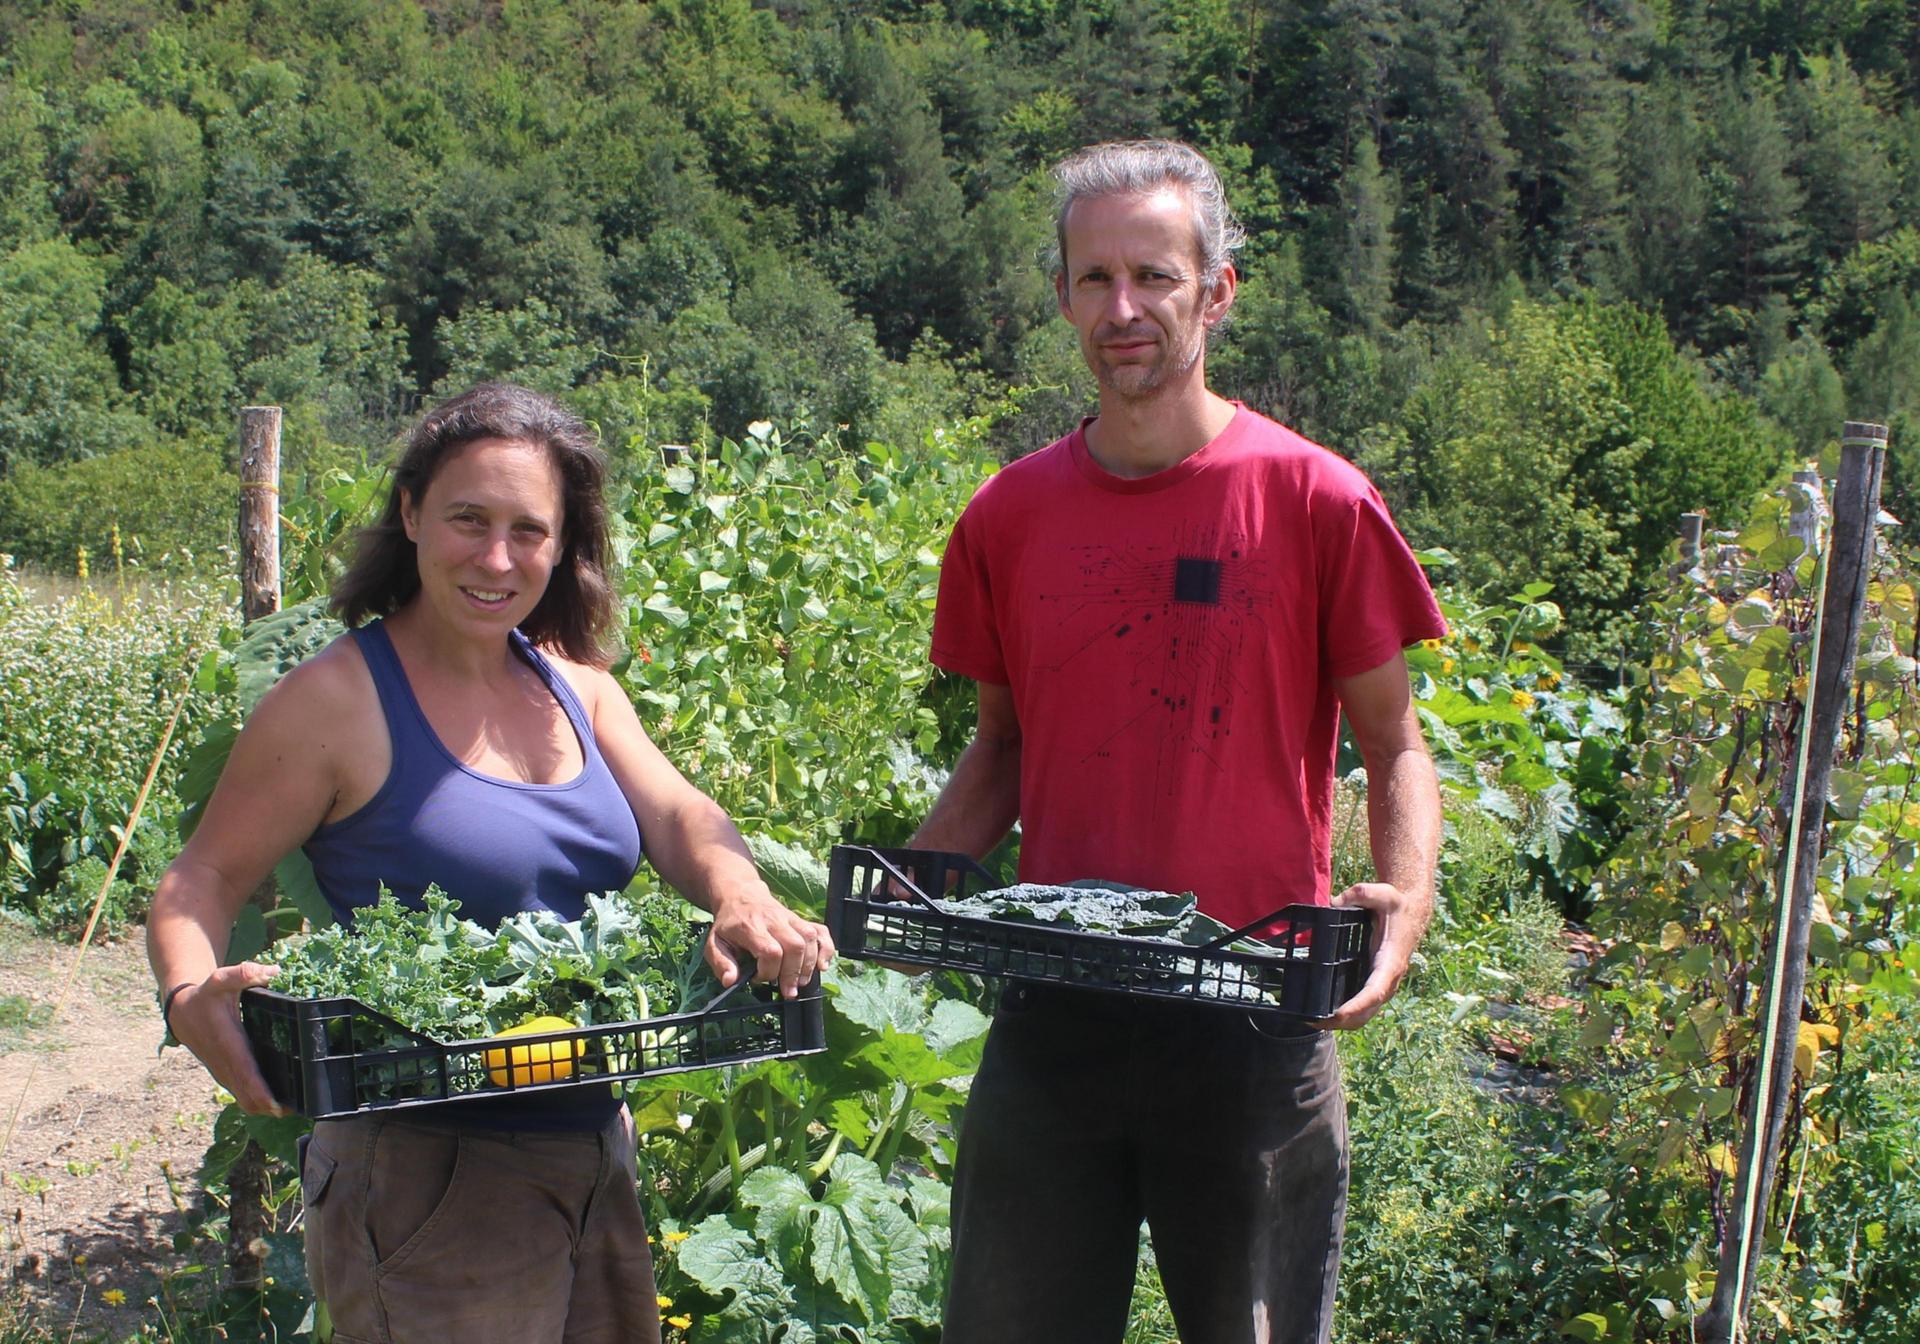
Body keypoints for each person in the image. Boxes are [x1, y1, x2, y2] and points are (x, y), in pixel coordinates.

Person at [147, 382, 833, 1344]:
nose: (498, 558)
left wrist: (739, 891)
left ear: (564, 546)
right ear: (411, 512)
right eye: (469, 519)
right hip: (428, 1170)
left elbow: (679, 813)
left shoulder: (575, 686)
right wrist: (190, 993)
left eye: (530, 530)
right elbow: (200, 882)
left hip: (593, 1142)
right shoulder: (338, 702)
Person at [914, 141, 1447, 1344]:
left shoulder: (1314, 499)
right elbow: (1000, 748)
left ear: (1216, 290)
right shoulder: (1009, 517)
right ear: (1061, 296)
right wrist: (913, 887)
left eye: (1154, 276)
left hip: (1253, 1006)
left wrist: (1405, 900)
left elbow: (1394, 740)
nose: (1123, 309)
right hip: (1059, 1005)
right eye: (1093, 278)